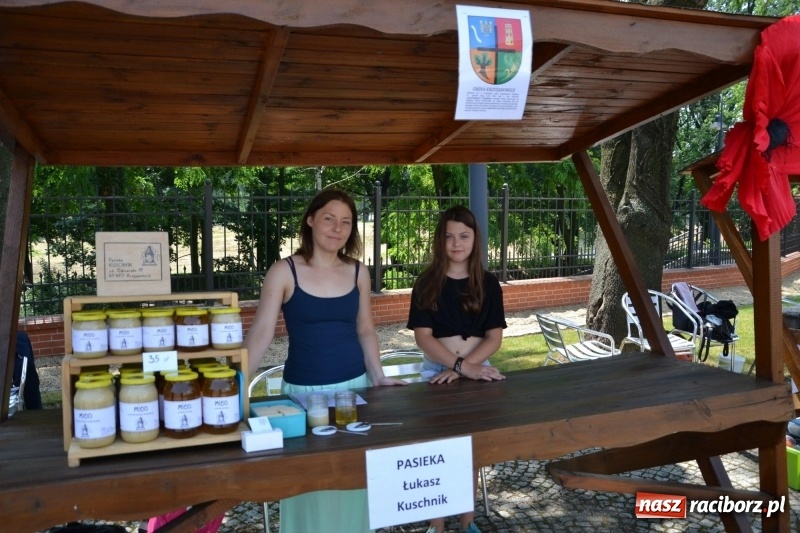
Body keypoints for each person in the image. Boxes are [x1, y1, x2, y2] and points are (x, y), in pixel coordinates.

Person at [244, 188, 407, 533]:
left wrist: (377, 376)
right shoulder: (284, 271)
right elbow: (261, 335)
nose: (338, 228)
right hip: (303, 396)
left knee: (353, 482)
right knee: (307, 486)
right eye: (329, 218)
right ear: (311, 220)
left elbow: (365, 330)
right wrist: (235, 387)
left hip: (354, 390)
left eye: (346, 222)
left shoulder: (358, 272)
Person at [407, 205, 507, 533]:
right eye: (449, 236)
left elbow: (494, 336)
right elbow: (424, 338)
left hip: (479, 372)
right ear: (440, 241)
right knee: (436, 451)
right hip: (437, 373)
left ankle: (467, 523)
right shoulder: (426, 283)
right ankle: (437, 525)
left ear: (475, 239)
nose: (456, 243)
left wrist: (468, 369)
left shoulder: (489, 284)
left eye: (463, 236)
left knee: (470, 451)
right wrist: (461, 367)